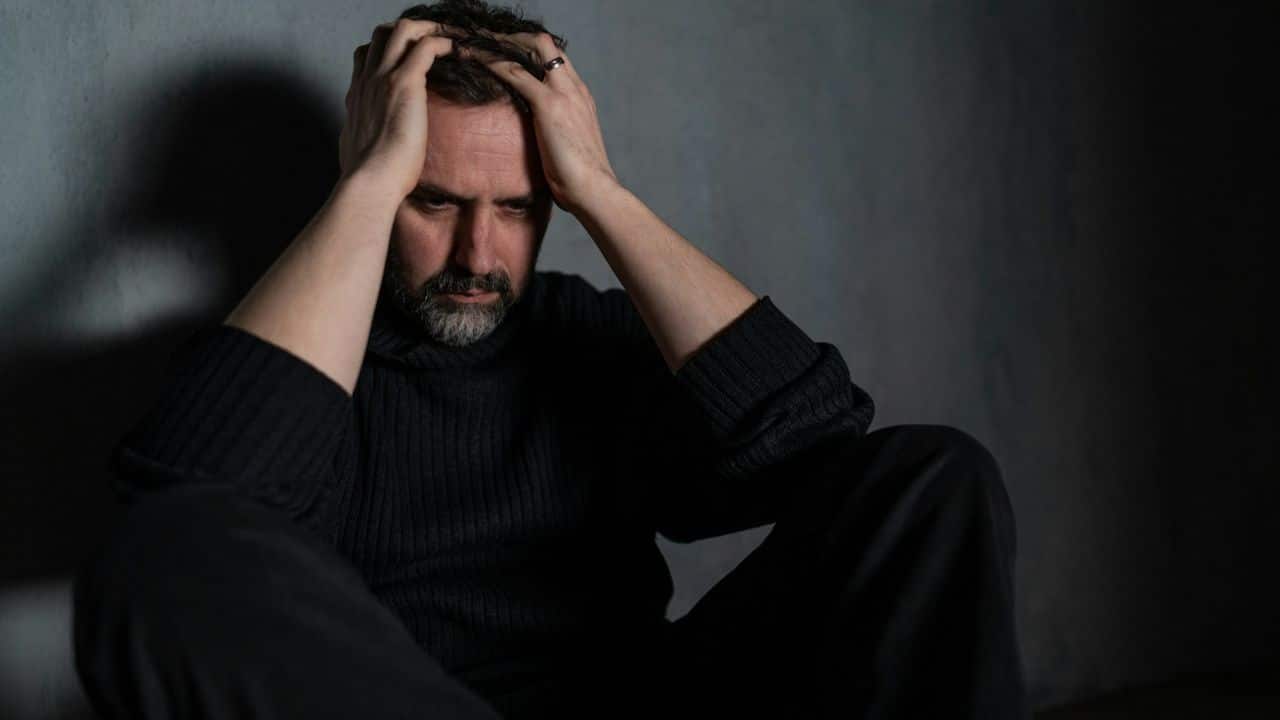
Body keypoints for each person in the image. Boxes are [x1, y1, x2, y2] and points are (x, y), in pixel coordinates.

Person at [71, 1, 1029, 717]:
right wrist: (368, 183)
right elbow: (183, 528)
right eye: (434, 202)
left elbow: (823, 443)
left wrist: (601, 194)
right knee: (164, 546)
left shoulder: (584, 339)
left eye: (521, 208)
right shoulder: (291, 365)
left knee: (932, 478)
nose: (480, 258)